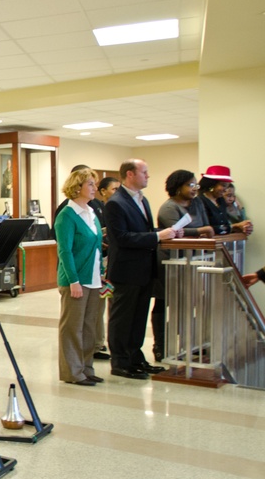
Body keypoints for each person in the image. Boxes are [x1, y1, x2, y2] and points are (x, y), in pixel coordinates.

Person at [105, 159, 180, 380]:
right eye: (144, 172)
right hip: (126, 271)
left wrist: (168, 232)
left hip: (145, 269)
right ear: (130, 174)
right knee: (122, 318)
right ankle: (119, 361)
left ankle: (136, 357)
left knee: (138, 318)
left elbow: (143, 230)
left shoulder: (142, 200)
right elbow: (121, 237)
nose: (148, 176)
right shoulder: (115, 203)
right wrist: (157, 236)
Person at [153, 169, 215, 361]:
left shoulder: (196, 204)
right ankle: (161, 346)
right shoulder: (168, 208)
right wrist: (200, 231)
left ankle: (190, 343)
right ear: (177, 186)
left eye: (196, 184)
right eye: (190, 184)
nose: (194, 188)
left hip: (193, 262)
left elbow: (205, 226)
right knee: (164, 303)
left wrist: (201, 230)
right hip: (169, 262)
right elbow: (179, 232)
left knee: (190, 304)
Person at [54, 168, 103, 385]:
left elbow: (97, 246)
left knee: (90, 326)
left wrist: (101, 274)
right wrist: (73, 280)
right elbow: (65, 251)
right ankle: (72, 372)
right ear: (78, 187)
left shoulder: (91, 213)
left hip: (93, 278)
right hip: (75, 279)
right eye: (90, 184)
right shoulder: (67, 215)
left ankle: (86, 367)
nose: (94, 188)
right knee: (72, 327)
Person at [91, 176, 121, 360]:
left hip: (110, 264)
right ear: (103, 191)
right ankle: (96, 343)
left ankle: (101, 342)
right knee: (98, 304)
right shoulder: (95, 208)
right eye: (114, 189)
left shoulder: (112, 208)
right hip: (99, 265)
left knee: (107, 300)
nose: (117, 192)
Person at [198, 166, 253, 236]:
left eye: (227, 186)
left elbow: (226, 225)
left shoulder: (221, 200)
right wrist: (234, 226)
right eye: (223, 185)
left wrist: (244, 226)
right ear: (212, 184)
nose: (225, 190)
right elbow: (204, 229)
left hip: (223, 242)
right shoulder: (199, 201)